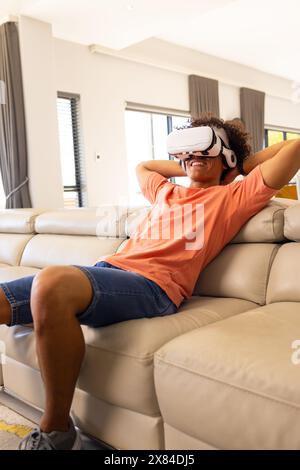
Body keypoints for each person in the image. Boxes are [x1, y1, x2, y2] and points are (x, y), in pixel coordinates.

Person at [0, 113, 299, 450]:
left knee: (52, 281)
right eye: (190, 151)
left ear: (228, 157)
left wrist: (238, 164)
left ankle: (56, 432)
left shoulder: (234, 197)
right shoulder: (164, 192)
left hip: (154, 287)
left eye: (208, 151)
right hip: (110, 270)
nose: (196, 157)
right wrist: (191, 155)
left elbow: (294, 148)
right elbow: (144, 166)